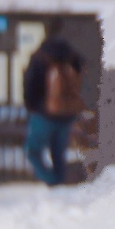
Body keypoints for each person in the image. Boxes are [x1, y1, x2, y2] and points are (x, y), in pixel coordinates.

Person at [22, 30, 83, 187]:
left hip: (43, 114)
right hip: (67, 113)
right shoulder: (71, 58)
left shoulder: (39, 58)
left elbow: (30, 86)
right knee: (58, 153)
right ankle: (60, 184)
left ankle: (52, 180)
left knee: (33, 151)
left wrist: (33, 107)